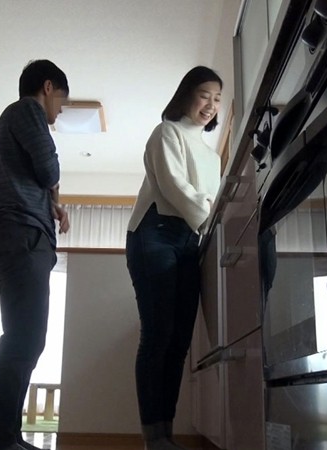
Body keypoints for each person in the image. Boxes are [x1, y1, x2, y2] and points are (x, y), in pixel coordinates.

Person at [125, 66, 223, 450]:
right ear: (187, 95)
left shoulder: (212, 156)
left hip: (188, 240)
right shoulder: (166, 132)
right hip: (155, 233)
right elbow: (174, 186)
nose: (211, 105)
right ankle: (153, 437)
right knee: (158, 333)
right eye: (204, 95)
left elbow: (207, 204)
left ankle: (165, 433)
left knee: (180, 340)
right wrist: (210, 215)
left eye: (217, 99)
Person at [0, 59, 71, 450]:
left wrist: (53, 204)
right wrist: (54, 189)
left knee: (24, 337)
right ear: (48, 87)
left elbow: (38, 176)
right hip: (21, 234)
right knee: (25, 338)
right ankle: (0, 440)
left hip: (16, 233)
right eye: (61, 100)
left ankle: (5, 436)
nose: (59, 111)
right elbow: (48, 168)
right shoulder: (28, 110)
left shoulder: (15, 118)